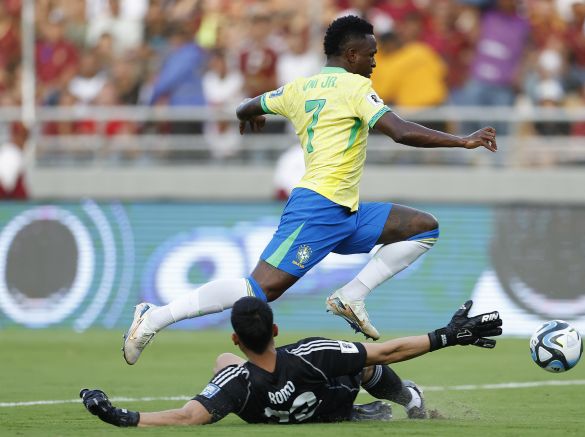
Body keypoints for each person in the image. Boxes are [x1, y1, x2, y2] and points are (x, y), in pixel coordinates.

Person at [122, 15, 497, 365]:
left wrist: (248, 115)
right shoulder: (355, 86)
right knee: (259, 291)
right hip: (318, 208)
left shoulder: (299, 88)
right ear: (351, 56)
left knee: (423, 226)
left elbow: (247, 104)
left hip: (346, 210)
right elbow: (399, 131)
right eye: (370, 55)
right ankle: (155, 316)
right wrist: (462, 142)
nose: (374, 63)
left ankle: (351, 295)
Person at [85, 296, 502, 426]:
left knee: (222, 361)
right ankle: (407, 399)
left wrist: (123, 416)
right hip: (330, 400)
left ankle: (362, 413)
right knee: (361, 362)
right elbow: (387, 350)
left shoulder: (236, 382)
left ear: (238, 336)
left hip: (284, 411)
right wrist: (448, 335)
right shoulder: (312, 353)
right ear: (276, 330)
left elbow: (186, 417)